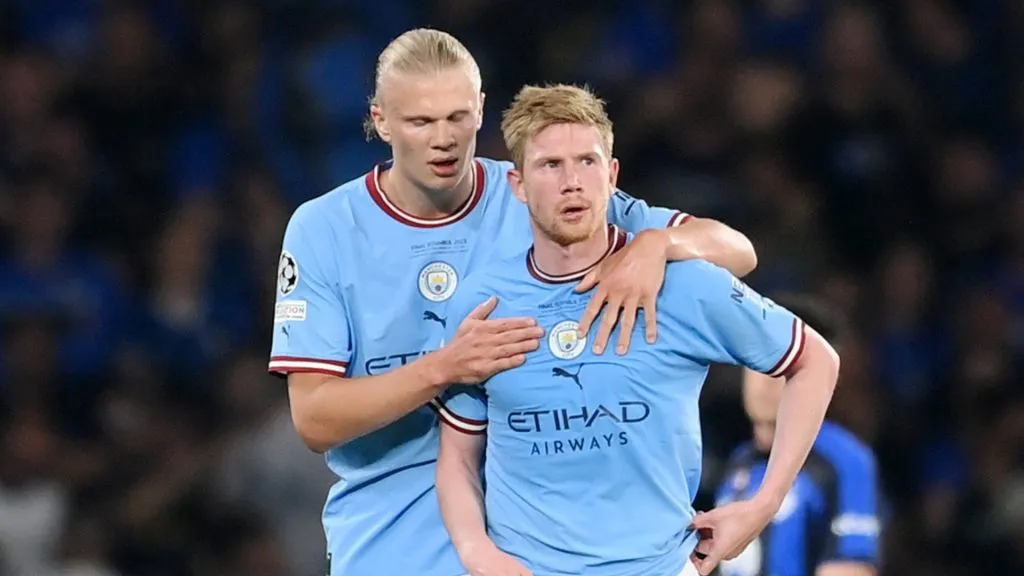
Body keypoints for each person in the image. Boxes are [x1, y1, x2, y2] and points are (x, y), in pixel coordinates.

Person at [268, 29, 758, 576]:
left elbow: (737, 252)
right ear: (381, 121)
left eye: (457, 117)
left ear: (481, 110)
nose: (443, 139)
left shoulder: (537, 186)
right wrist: (446, 367)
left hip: (538, 542)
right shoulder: (325, 229)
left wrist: (659, 244)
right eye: (420, 122)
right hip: (392, 536)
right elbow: (314, 418)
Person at [433, 83, 841, 576]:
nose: (572, 182)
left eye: (587, 161)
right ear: (519, 185)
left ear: (612, 174)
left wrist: (763, 504)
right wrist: (478, 553)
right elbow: (458, 451)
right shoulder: (483, 302)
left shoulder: (681, 282)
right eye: (550, 165)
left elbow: (815, 360)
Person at [715, 295, 882, 576]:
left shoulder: (843, 461)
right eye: (755, 357)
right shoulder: (740, 461)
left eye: (782, 364)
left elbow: (851, 568)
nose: (764, 375)